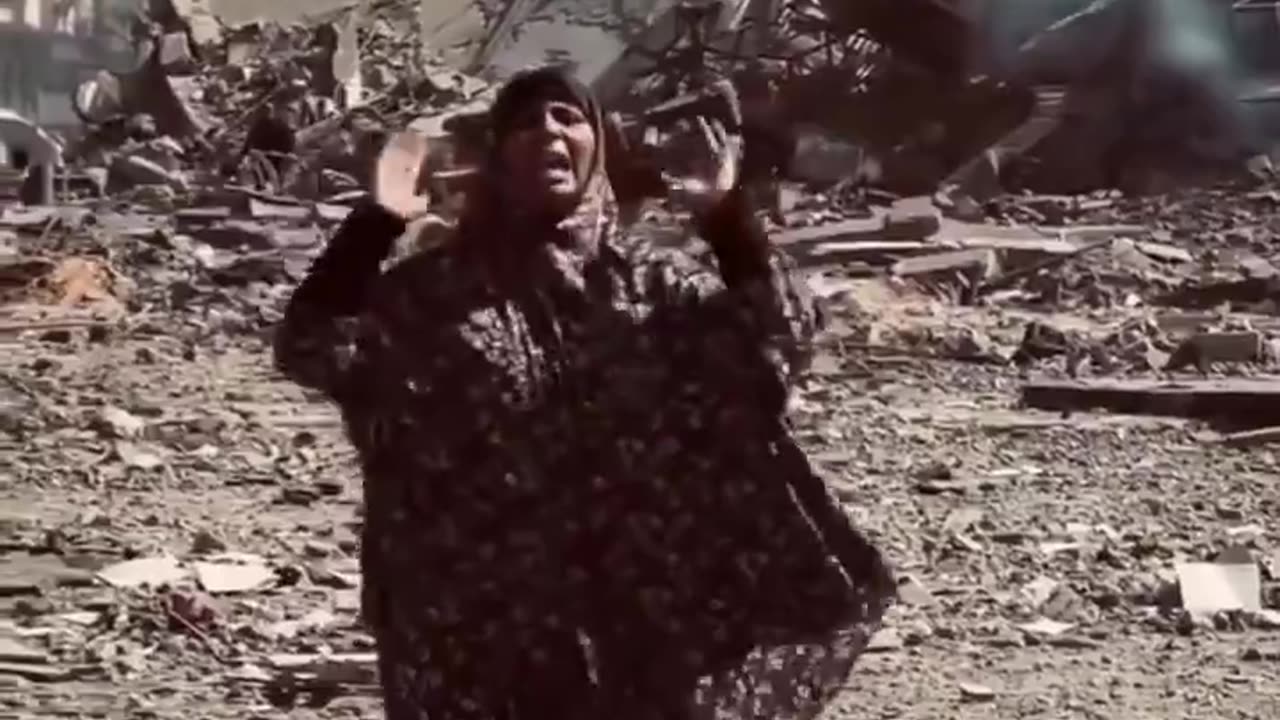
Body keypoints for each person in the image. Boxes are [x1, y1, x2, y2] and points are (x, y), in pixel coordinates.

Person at [274, 66, 894, 720]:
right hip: (476, 633)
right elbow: (310, 347)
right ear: (495, 154)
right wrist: (377, 221)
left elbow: (777, 343)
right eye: (524, 122)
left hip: (632, 622)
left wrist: (725, 220)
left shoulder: (653, 290)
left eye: (568, 117)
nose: (548, 130)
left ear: (597, 147)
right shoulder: (431, 296)